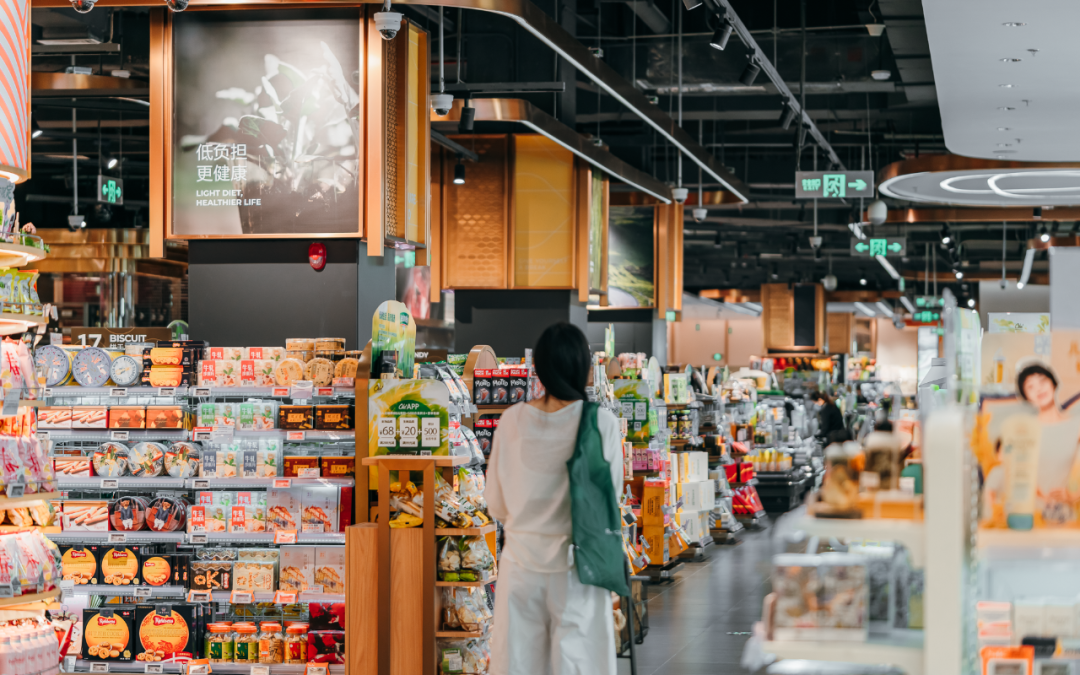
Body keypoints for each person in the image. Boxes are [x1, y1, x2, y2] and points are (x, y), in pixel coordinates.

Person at [485, 322, 622, 675]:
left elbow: (495, 503)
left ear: (539, 368)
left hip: (520, 565)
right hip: (578, 567)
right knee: (579, 663)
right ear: (583, 367)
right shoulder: (599, 423)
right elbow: (611, 499)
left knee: (518, 663)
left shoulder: (511, 420)